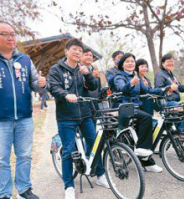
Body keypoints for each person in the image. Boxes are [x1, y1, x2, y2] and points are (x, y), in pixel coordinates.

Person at [0, 20, 46, 199]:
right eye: (6, 34)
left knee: (24, 155)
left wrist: (41, 84)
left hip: (24, 117)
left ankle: (24, 189)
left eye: (13, 34)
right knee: (1, 160)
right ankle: (4, 194)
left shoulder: (24, 58)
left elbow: (34, 84)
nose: (11, 37)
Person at [48, 39, 109, 199]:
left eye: (79, 50)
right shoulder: (57, 69)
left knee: (95, 144)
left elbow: (93, 87)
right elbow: (53, 87)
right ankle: (68, 186)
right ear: (66, 51)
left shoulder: (83, 69)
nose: (77, 52)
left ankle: (101, 176)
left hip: (85, 115)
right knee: (68, 150)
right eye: (74, 49)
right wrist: (65, 95)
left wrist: (88, 75)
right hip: (66, 117)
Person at [114, 53, 164, 173]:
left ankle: (147, 162)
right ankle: (142, 149)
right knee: (146, 117)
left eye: (132, 61)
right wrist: (131, 83)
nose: (130, 63)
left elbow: (147, 90)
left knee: (149, 123)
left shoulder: (135, 76)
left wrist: (162, 90)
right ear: (122, 64)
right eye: (127, 61)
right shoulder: (119, 77)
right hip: (124, 107)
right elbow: (122, 89)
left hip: (136, 107)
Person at [154, 53, 184, 132]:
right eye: (168, 61)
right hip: (166, 102)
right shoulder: (160, 75)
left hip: (174, 101)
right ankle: (181, 132)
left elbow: (180, 87)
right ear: (162, 63)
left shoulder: (172, 75)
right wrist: (169, 88)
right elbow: (158, 90)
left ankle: (179, 131)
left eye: (172, 61)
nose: (171, 63)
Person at [80, 48, 102, 127]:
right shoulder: (78, 69)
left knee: (93, 130)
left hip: (94, 105)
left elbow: (99, 88)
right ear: (80, 57)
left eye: (91, 55)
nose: (89, 57)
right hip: (82, 105)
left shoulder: (95, 70)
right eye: (86, 55)